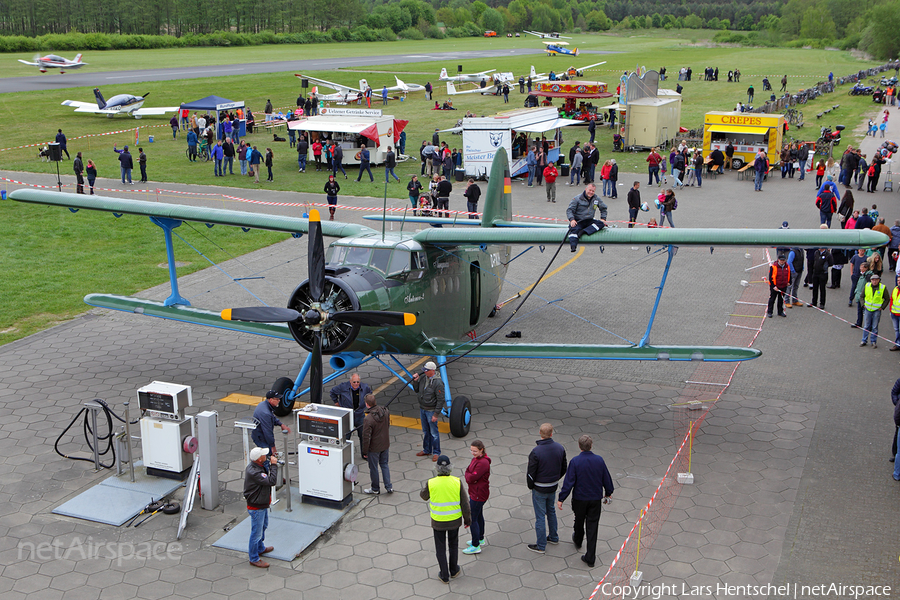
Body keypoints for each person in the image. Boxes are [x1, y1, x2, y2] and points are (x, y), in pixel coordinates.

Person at [557, 435, 614, 568]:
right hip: (594, 499)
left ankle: (577, 538)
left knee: (579, 519)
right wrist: (608, 493)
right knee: (592, 526)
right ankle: (590, 557)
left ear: (579, 446)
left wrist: (561, 498)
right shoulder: (599, 460)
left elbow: (569, 482)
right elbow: (606, 478)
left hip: (579, 499)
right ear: (591, 445)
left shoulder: (575, 461)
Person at [420, 455, 471, 583]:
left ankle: (444, 575)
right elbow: (465, 503)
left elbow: (423, 496)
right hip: (454, 520)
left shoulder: (431, 482)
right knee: (453, 545)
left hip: (438, 522)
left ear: (436, 468)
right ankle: (454, 570)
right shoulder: (457, 481)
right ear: (450, 468)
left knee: (440, 548)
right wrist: (467, 519)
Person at [526, 423, 567, 554]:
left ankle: (541, 545)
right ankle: (554, 537)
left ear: (540, 433)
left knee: (540, 517)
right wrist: (555, 479)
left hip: (539, 488)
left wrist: (531, 485)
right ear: (551, 433)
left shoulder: (536, 451)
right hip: (552, 486)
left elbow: (531, 473)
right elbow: (564, 467)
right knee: (551, 511)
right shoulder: (560, 448)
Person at [244, 447, 277, 568]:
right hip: (257, 507)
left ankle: (259, 548)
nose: (266, 456)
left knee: (263, 526)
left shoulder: (256, 466)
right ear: (259, 459)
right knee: (256, 533)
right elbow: (271, 480)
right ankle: (254, 558)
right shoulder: (255, 472)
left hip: (261, 504)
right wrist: (274, 465)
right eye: (264, 455)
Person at [463, 440, 491, 555]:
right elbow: (469, 472)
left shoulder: (483, 463)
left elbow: (469, 477)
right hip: (477, 493)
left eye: (475, 451)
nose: (473, 453)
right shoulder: (477, 459)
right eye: (471, 450)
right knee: (479, 515)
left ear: (481, 450)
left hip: (478, 494)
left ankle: (476, 545)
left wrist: (468, 474)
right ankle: (480, 538)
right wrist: (469, 473)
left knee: (472, 518)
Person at [413, 361, 445, 460]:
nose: (425, 372)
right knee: (426, 431)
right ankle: (427, 450)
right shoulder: (423, 378)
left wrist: (436, 414)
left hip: (431, 411)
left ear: (432, 371)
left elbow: (440, 399)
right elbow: (417, 390)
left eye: (427, 370)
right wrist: (415, 381)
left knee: (434, 433)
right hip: (423, 409)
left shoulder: (438, 383)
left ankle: (436, 452)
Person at [361, 393, 392, 495]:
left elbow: (366, 437)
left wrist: (364, 451)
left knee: (373, 468)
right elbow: (387, 425)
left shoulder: (368, 419)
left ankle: (375, 488)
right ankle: (389, 487)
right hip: (385, 444)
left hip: (374, 448)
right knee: (384, 464)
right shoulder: (385, 411)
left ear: (366, 404)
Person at [330, 372, 372, 444]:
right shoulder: (343, 387)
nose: (356, 384)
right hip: (347, 415)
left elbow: (370, 395)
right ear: (350, 381)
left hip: (359, 415)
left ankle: (364, 454)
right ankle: (345, 453)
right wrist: (336, 403)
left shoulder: (365, 387)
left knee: (363, 436)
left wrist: (367, 404)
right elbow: (332, 392)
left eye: (358, 382)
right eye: (354, 382)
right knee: (346, 436)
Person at [567, 183, 607, 253]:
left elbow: (603, 208)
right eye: (590, 190)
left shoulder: (596, 199)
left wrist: (603, 219)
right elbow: (569, 210)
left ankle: (584, 232)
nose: (591, 192)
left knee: (601, 224)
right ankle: (573, 246)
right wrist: (572, 220)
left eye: (593, 191)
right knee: (573, 230)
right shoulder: (577, 199)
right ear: (586, 189)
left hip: (589, 221)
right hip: (578, 221)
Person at [251, 390, 291, 455]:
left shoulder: (264, 405)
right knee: (268, 454)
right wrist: (273, 447)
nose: (279, 400)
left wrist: (281, 424)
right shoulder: (265, 413)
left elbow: (272, 417)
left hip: (260, 435)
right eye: (277, 399)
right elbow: (268, 432)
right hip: (260, 438)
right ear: (271, 400)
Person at [861, 273, 888, 347]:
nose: (874, 281)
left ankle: (873, 341)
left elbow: (887, 299)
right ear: (871, 280)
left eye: (876, 280)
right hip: (868, 309)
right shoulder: (867, 286)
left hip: (877, 310)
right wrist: (863, 305)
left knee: (875, 327)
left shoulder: (882, 288)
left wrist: (882, 307)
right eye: (873, 280)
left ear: (879, 280)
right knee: (866, 326)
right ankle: (864, 340)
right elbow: (862, 296)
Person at [767, 254, 790, 318]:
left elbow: (789, 275)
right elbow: (771, 278)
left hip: (783, 286)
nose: (782, 261)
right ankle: (770, 312)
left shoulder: (787, 266)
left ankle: (780, 311)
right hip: (775, 287)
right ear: (778, 260)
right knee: (772, 299)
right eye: (781, 260)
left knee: (781, 300)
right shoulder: (773, 267)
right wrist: (774, 286)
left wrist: (789, 282)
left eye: (783, 260)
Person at [889, 274, 900, 351]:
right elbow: (892, 299)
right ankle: (897, 344)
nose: (899, 282)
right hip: (894, 313)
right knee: (896, 329)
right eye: (898, 280)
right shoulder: (895, 289)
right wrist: (891, 310)